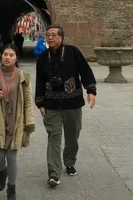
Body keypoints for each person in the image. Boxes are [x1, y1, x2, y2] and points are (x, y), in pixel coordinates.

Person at [35, 25, 96, 187]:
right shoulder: (42, 58)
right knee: (54, 137)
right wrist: (39, 102)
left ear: (61, 38)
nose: (50, 38)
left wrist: (90, 90)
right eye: (48, 35)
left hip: (72, 103)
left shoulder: (72, 52)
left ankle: (69, 162)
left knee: (72, 137)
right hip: (51, 104)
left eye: (53, 35)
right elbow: (39, 82)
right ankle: (54, 173)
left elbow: (85, 71)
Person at [0, 43, 35, 200]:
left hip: (16, 121)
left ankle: (11, 190)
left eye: (11, 55)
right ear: (1, 56)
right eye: (5, 54)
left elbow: (27, 100)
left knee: (12, 157)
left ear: (16, 58)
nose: (7, 57)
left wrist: (30, 121)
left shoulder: (23, 76)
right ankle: (2, 171)